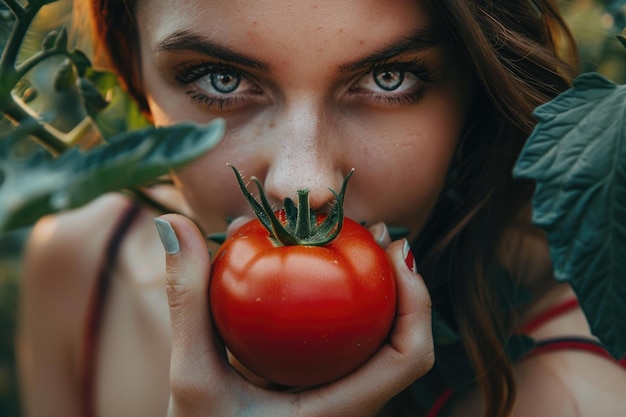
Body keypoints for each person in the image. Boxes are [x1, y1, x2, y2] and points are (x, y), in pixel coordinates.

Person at [16, 0, 626, 416]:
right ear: (132, 71)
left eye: (390, 77)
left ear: (479, 89)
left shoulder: (575, 396)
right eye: (221, 79)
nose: (303, 186)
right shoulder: (80, 265)